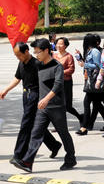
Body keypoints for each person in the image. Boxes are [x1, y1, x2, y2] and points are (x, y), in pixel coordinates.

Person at [11, 39, 76, 172]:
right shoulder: (38, 65)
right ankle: (27, 162)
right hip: (42, 107)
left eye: (38, 52)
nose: (36, 55)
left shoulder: (57, 66)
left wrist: (46, 99)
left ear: (46, 51)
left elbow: (58, 85)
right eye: (35, 52)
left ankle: (71, 158)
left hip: (56, 106)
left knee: (63, 133)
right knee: (36, 133)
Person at [0, 42, 59, 165]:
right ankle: (54, 145)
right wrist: (6, 90)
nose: (18, 57)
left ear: (27, 51)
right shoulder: (21, 63)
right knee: (34, 125)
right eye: (16, 55)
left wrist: (46, 99)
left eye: (19, 55)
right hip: (26, 95)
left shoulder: (37, 64)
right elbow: (17, 78)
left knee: (26, 125)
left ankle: (18, 155)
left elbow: (47, 83)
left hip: (35, 96)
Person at [75, 34, 104, 135]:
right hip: (91, 81)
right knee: (96, 103)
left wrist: (84, 64)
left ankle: (84, 127)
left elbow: (98, 66)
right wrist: (80, 57)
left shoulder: (95, 51)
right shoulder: (90, 51)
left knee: (87, 103)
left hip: (95, 81)